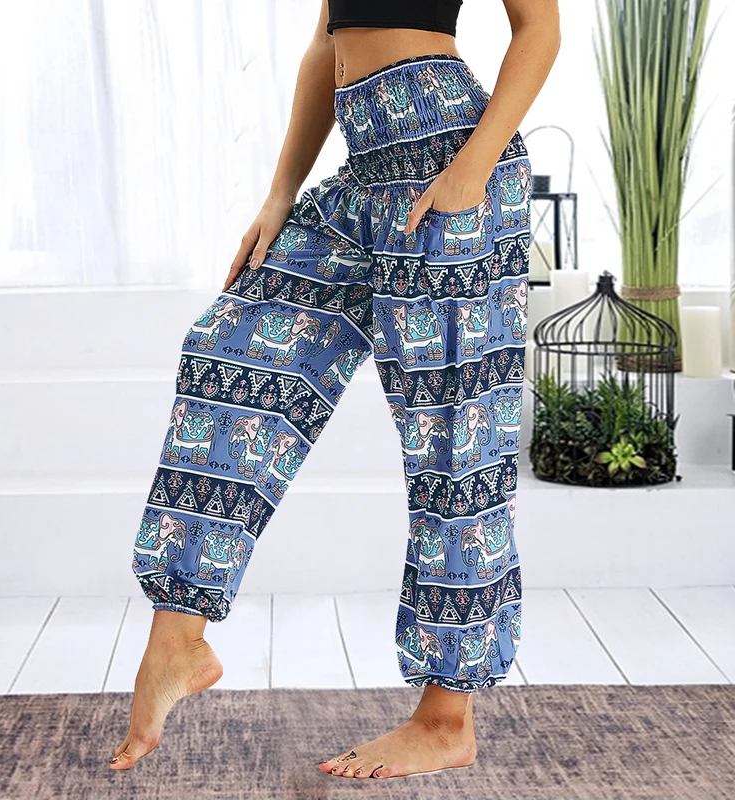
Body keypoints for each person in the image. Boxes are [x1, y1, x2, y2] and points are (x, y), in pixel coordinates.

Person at [111, 0, 560, 780]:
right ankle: (179, 639)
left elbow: (540, 29)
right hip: (365, 171)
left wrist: (471, 168)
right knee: (228, 350)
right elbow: (327, 45)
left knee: (453, 444)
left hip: (451, 160)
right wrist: (280, 193)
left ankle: (446, 719)